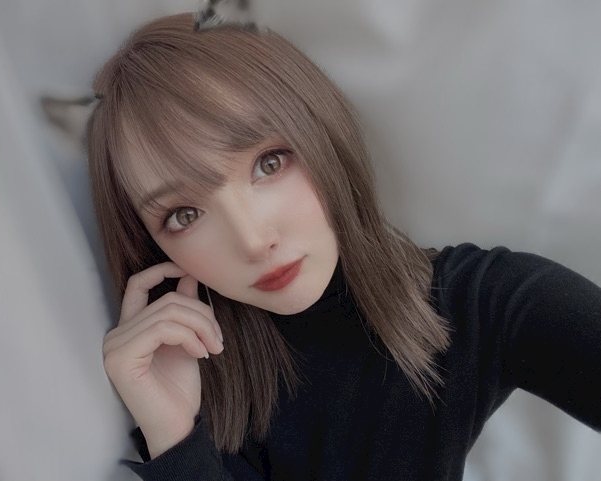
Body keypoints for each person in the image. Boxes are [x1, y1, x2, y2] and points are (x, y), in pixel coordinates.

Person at [86, 10, 601, 481]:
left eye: (268, 164)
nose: (254, 241)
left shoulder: (478, 303)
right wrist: (177, 441)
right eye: (185, 215)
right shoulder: (186, 388)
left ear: (322, 135)